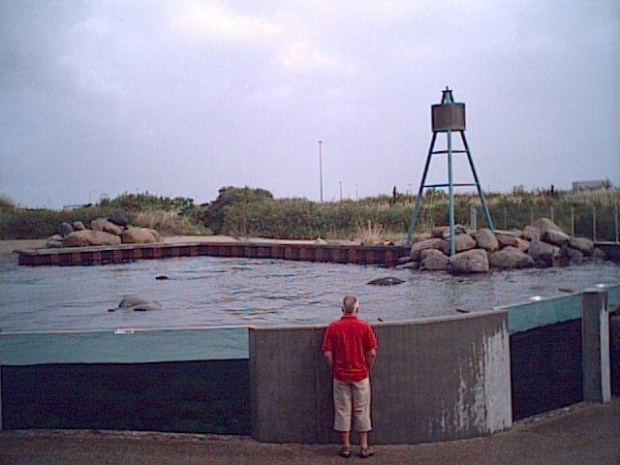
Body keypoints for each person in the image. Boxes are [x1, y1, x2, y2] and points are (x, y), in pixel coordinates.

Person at [322, 295, 378, 459]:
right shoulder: (364, 326)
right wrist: (367, 366)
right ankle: (364, 446)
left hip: (340, 374)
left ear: (342, 309)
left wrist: (334, 368)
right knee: (362, 409)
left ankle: (346, 447)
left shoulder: (333, 327)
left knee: (342, 410)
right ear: (357, 309)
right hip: (360, 374)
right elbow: (372, 352)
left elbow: (327, 353)